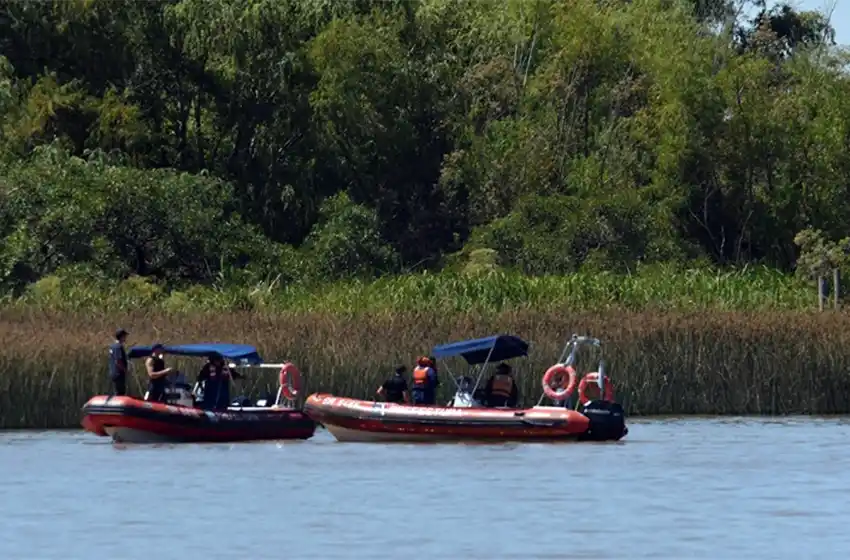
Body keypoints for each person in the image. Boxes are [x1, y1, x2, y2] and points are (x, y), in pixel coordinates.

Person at [108, 329, 129, 396]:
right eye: (125, 336)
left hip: (113, 372)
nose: (125, 338)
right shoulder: (118, 347)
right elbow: (118, 361)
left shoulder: (112, 346)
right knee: (120, 392)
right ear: (122, 336)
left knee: (117, 390)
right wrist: (125, 370)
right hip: (118, 373)